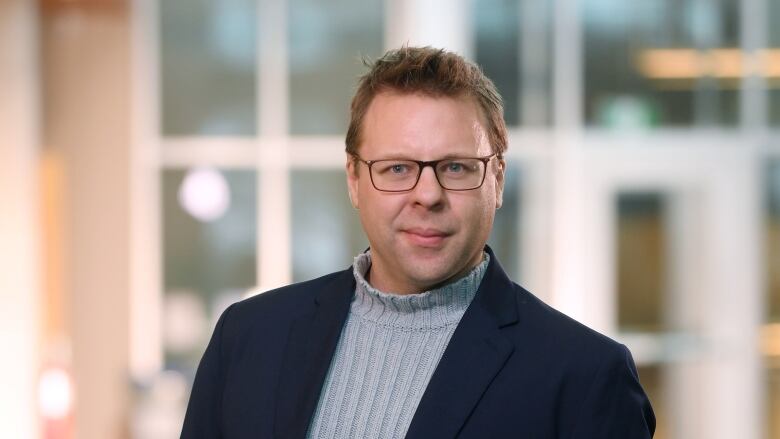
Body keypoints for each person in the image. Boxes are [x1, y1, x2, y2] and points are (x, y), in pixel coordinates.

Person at [181, 46, 655, 439]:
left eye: (455, 167)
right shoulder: (248, 338)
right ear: (354, 179)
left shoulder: (585, 376)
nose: (427, 195)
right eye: (398, 168)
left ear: (498, 178)